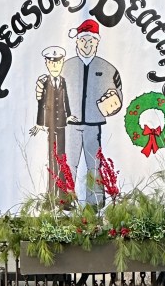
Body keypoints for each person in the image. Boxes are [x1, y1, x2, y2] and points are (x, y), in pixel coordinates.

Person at [36, 19, 122, 206]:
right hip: (71, 125)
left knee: (94, 164)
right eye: (83, 40)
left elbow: (117, 95)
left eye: (91, 40)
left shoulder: (107, 69)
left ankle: (95, 203)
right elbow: (49, 88)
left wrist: (114, 102)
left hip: (94, 125)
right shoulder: (66, 67)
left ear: (97, 42)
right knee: (68, 164)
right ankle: (66, 203)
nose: (87, 45)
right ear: (76, 42)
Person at [31, 45, 76, 184]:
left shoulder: (63, 81)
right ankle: (52, 190)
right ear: (46, 63)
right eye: (51, 63)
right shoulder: (44, 83)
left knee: (61, 156)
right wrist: (39, 123)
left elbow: (65, 99)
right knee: (52, 156)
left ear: (62, 63)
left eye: (58, 62)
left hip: (61, 123)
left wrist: (68, 115)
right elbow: (41, 103)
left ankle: (62, 191)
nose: (55, 66)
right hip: (50, 123)